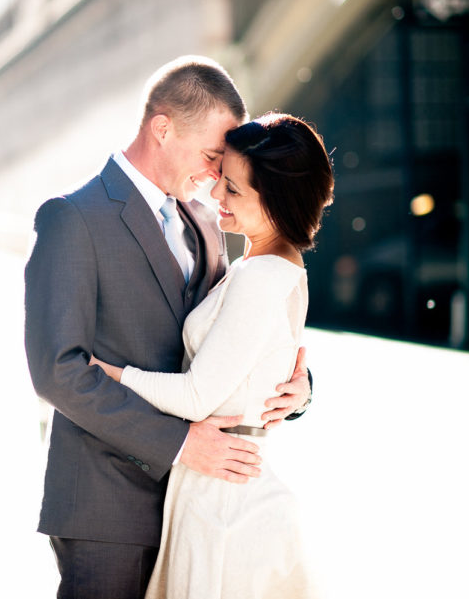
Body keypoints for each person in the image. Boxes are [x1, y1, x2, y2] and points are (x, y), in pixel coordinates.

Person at [24, 56, 312, 599]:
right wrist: (180, 444)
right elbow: (57, 372)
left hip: (199, 507)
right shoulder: (72, 218)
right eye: (210, 156)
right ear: (163, 127)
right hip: (105, 508)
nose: (213, 176)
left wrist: (298, 389)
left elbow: (234, 334)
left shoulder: (207, 221)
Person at [91, 112, 335, 598]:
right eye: (221, 179)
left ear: (278, 202)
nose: (216, 196)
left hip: (224, 504)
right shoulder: (268, 265)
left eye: (234, 190)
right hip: (219, 489)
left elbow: (196, 394)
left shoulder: (261, 277)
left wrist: (109, 373)